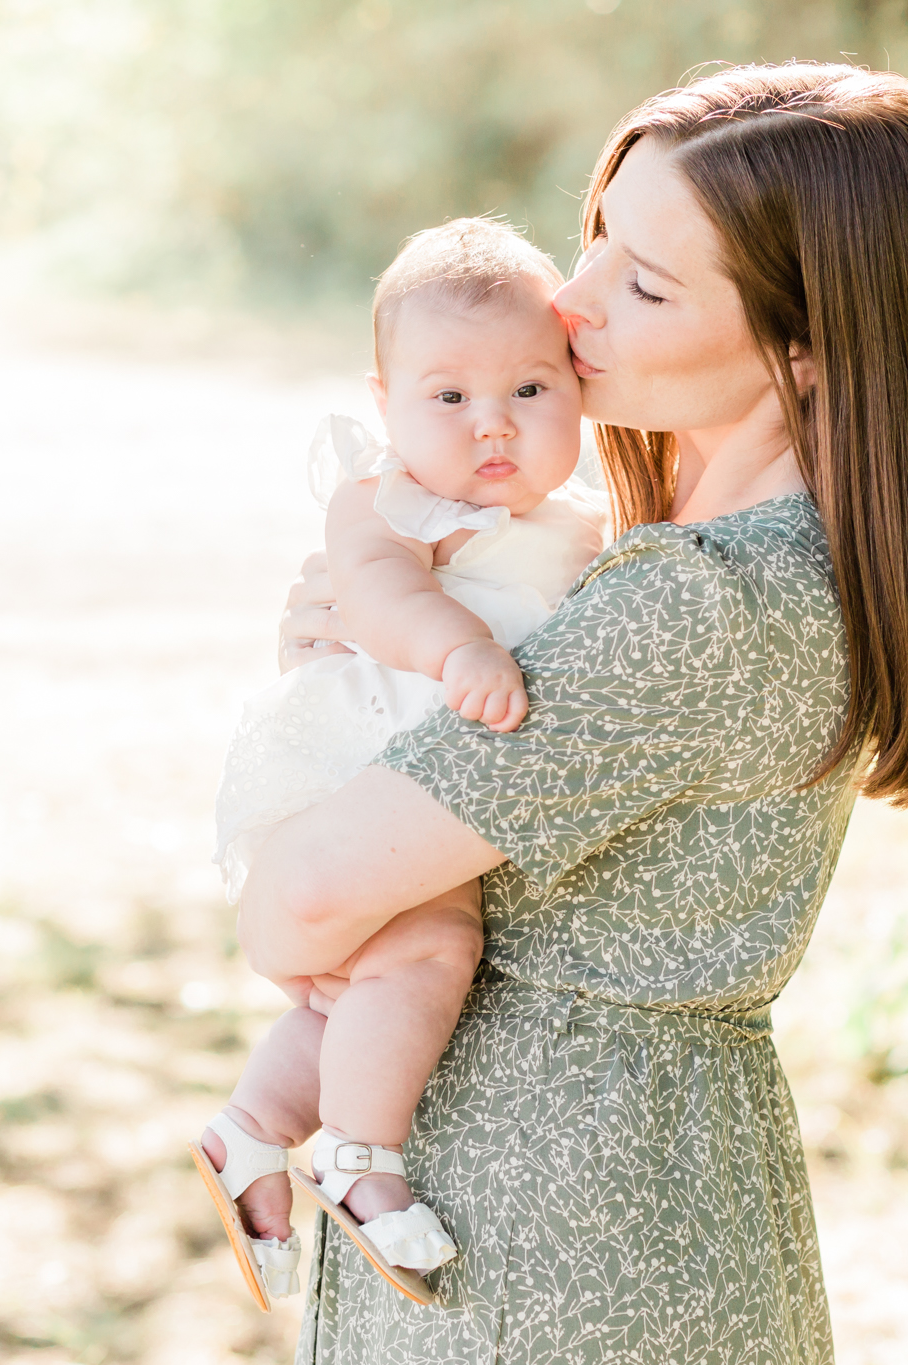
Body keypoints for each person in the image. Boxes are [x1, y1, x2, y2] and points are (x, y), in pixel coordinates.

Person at [246, 63, 908, 1363]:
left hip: (560, 1256)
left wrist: (313, 838)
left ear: (807, 349)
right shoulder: (712, 562)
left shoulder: (697, 609)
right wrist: (367, 670)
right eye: (599, 236)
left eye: (645, 284)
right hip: (627, 1212)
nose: (571, 296)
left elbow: (301, 897)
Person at [193, 217, 608, 1310]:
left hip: (424, 777)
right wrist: (455, 646)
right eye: (448, 397)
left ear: (578, 390)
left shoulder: (576, 526)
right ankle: (359, 1158)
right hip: (349, 760)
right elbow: (376, 596)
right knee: (427, 952)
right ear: (385, 405)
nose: (492, 428)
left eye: (529, 391)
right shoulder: (386, 500)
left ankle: (248, 1134)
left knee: (356, 994)